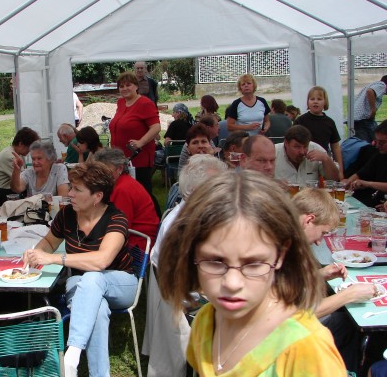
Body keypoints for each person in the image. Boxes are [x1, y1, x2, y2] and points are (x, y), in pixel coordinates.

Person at [158, 171, 346, 376]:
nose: (232, 283)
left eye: (254, 263)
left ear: (281, 255)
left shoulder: (307, 350)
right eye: (215, 261)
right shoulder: (206, 322)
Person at [22, 162, 137, 377]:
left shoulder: (116, 218)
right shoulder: (67, 214)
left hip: (120, 283)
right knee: (98, 310)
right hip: (82, 285)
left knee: (93, 277)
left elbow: (102, 261)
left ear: (97, 196)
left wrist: (54, 259)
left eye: (77, 189)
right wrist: (36, 253)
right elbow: (49, 241)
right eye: (71, 187)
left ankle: (72, 351)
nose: (70, 194)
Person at [144, 155, 227, 377]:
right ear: (197, 193)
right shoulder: (186, 225)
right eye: (219, 188)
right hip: (191, 301)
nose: (226, 193)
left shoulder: (191, 214)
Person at [293, 188, 374, 371]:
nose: (319, 241)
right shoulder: (285, 248)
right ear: (309, 220)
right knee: (347, 323)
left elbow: (292, 283)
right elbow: (295, 314)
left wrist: (320, 274)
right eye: (323, 232)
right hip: (285, 338)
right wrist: (349, 295)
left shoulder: (288, 239)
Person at [109, 71, 161, 209]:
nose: (124, 88)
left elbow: (156, 127)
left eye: (128, 85)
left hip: (138, 158)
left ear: (136, 86)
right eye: (121, 86)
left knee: (143, 192)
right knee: (125, 190)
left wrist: (140, 142)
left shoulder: (145, 103)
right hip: (120, 157)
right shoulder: (121, 102)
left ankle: (155, 217)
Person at [93, 148, 158, 251]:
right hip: (134, 238)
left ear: (119, 168)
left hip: (136, 246)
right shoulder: (122, 182)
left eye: (104, 169)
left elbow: (119, 227)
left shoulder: (122, 189)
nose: (100, 174)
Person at [294, 86, 344, 179]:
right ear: (308, 102)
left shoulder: (330, 122)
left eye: (319, 99)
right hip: (306, 161)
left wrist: (340, 171)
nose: (315, 101)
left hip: (323, 162)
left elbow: (335, 147)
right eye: (312, 99)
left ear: (325, 102)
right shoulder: (300, 120)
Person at [0, 127, 40, 206]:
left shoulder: (17, 154)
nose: (30, 151)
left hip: (6, 191)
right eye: (29, 147)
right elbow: (24, 180)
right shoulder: (10, 156)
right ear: (21, 144)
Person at [274, 125, 340, 184]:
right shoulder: (273, 152)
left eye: (305, 146)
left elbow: (334, 180)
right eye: (297, 147)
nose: (302, 152)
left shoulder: (316, 149)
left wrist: (326, 159)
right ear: (286, 143)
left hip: (310, 194)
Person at [344, 120, 387, 207]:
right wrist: (346, 184)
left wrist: (368, 184)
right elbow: (361, 173)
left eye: (382, 142)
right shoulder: (379, 155)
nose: (377, 145)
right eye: (376, 141)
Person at [353, 75, 387, 143]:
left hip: (357, 118)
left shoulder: (373, 84)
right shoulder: (382, 85)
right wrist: (373, 110)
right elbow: (370, 91)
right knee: (375, 140)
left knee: (371, 140)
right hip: (363, 118)